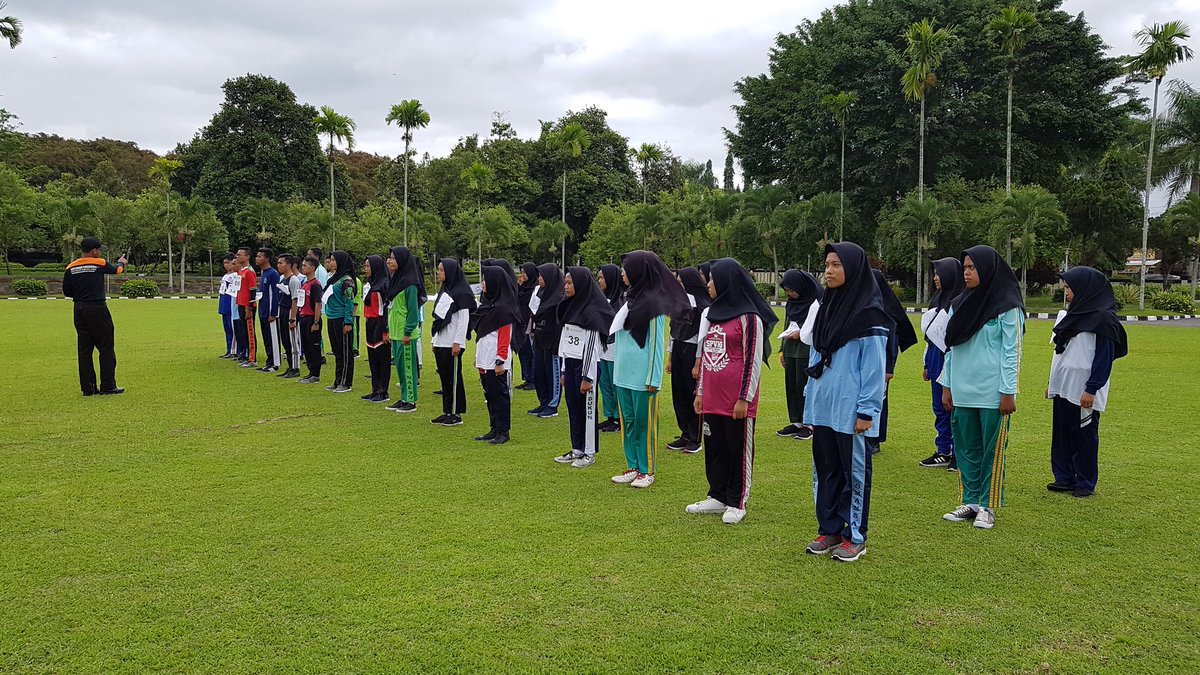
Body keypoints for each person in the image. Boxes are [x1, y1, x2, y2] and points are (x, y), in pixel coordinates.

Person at [802, 242, 889, 563]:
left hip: (852, 412)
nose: (829, 270)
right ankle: (830, 530)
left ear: (852, 268)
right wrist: (809, 401)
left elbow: (874, 370)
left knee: (853, 475)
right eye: (827, 264)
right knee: (825, 471)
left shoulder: (869, 314)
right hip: (823, 408)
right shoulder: (826, 308)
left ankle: (855, 536)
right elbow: (815, 357)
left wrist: (867, 411)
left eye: (837, 264)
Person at [939, 245, 1025, 530]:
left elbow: (1012, 352)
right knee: (966, 449)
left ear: (988, 269)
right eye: (964, 267)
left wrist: (1008, 391)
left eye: (972, 267)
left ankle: (987, 505)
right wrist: (947, 385)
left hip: (992, 393)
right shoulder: (958, 303)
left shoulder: (1007, 305)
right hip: (963, 389)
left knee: (991, 451)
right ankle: (971, 500)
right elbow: (950, 347)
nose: (966, 273)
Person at [687, 258, 778, 524]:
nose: (709, 284)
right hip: (712, 398)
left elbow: (752, 360)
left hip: (737, 400)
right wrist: (700, 393)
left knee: (737, 449)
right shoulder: (714, 314)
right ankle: (717, 495)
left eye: (713, 279)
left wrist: (744, 398)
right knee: (715, 448)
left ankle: (737, 501)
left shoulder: (749, 317)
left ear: (728, 281)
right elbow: (705, 355)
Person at [610, 250, 690, 489]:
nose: (623, 273)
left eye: (626, 268)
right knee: (629, 422)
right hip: (622, 374)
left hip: (643, 377)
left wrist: (654, 377)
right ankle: (632, 466)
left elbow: (656, 345)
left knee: (645, 424)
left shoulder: (655, 304)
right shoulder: (628, 299)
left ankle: (647, 470)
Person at [1047, 266, 1127, 498]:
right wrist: (1052, 382)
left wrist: (1091, 389)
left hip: (1083, 388)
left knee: (1084, 435)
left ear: (1085, 289)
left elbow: (1104, 358)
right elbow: (1059, 353)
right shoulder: (1071, 316)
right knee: (1062, 433)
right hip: (1063, 386)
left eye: (1070, 287)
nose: (1066, 292)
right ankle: (1063, 477)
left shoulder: (1103, 320)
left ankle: (1084, 481)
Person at [553, 266, 616, 468]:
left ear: (580, 284)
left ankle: (589, 452)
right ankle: (576, 448)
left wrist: (587, 377)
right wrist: (563, 370)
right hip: (570, 363)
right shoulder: (569, 306)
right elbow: (564, 340)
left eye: (570, 283)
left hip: (586, 366)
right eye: (565, 282)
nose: (566, 286)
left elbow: (591, 346)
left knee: (587, 410)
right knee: (572, 406)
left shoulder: (591, 311)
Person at [62, 236, 127, 396]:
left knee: (84, 350)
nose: (99, 253)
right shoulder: (99, 263)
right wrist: (121, 262)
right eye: (98, 250)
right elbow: (118, 271)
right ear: (94, 251)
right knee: (105, 347)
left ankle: (88, 388)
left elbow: (67, 292)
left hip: (79, 309)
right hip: (97, 307)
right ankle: (108, 385)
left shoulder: (70, 267)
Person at [918, 257, 964, 471]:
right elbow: (930, 336)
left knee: (953, 407)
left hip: (952, 359)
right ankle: (943, 450)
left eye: (938, 274)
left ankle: (958, 453)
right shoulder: (937, 301)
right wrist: (926, 363)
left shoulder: (960, 301)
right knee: (939, 408)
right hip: (935, 359)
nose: (935, 278)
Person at [868, 269, 918, 454]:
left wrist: (889, 368)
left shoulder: (885, 308)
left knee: (878, 400)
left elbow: (892, 340)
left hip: (882, 364)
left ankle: (875, 439)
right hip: (866, 362)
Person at [474, 265, 520, 445]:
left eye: (486, 280)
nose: (483, 283)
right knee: (490, 395)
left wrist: (500, 360)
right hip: (484, 359)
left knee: (500, 396)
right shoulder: (487, 306)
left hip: (496, 361)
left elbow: (504, 337)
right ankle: (493, 427)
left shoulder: (504, 309)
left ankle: (503, 430)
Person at [666, 267, 710, 454]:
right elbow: (673, 331)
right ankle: (684, 432)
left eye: (681, 281)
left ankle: (695, 437)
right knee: (679, 393)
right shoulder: (678, 302)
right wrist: (670, 357)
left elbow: (702, 336)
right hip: (678, 348)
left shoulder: (702, 306)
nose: (678, 285)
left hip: (693, 351)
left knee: (692, 393)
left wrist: (698, 362)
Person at [777, 269, 822, 441]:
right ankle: (796, 421)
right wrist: (782, 349)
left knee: (805, 387)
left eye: (791, 290)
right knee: (792, 386)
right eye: (786, 290)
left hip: (806, 350)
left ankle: (808, 424)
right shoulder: (792, 303)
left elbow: (817, 326)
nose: (789, 293)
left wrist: (801, 333)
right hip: (791, 349)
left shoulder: (815, 303)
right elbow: (787, 325)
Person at [431, 258, 477, 426]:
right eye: (438, 270)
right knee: (444, 379)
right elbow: (438, 319)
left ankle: (456, 413)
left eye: (441, 270)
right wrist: (434, 340)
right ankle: (447, 410)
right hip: (441, 342)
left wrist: (458, 342)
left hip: (453, 344)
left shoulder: (462, 293)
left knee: (454, 378)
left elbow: (463, 320)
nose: (438, 273)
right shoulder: (444, 291)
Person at [384, 246, 423, 413]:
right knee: (400, 367)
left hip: (405, 333)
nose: (390, 261)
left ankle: (411, 400)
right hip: (395, 331)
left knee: (408, 367)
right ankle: (404, 397)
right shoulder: (396, 281)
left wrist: (408, 332)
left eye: (393, 258)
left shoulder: (411, 284)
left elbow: (413, 311)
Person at [529, 263, 566, 418]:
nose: (539, 279)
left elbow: (559, 324)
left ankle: (552, 405)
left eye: (542, 276)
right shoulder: (542, 294)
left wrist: (557, 346)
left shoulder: (558, 298)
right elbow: (534, 313)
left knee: (553, 374)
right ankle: (543, 401)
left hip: (552, 342)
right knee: (539, 372)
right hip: (539, 338)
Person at [323, 251, 357, 393]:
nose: (330, 263)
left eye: (333, 260)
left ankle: (345, 382)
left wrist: (348, 322)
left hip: (342, 319)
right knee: (337, 352)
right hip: (332, 318)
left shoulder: (346, 280)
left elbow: (349, 301)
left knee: (345, 352)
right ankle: (338, 380)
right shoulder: (335, 278)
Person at [597, 264, 625, 433]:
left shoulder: (622, 300)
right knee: (605, 383)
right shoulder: (601, 297)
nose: (600, 280)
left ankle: (618, 417)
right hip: (602, 345)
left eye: (602, 277)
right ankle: (610, 416)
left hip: (615, 346)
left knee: (615, 385)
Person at [361, 255, 392, 403]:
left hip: (380, 322)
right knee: (372, 358)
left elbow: (386, 309)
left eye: (368, 266)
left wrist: (386, 330)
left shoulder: (384, 285)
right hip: (369, 322)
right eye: (365, 266)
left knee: (382, 359)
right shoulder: (369, 284)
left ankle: (383, 391)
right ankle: (375, 389)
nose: (366, 269)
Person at [297, 256, 324, 384]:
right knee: (306, 346)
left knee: (314, 347)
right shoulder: (305, 284)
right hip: (303, 317)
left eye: (305, 265)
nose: (303, 267)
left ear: (312, 268)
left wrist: (316, 322)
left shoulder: (315, 285)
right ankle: (310, 371)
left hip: (312, 318)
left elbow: (318, 304)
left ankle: (315, 373)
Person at [254, 248, 282, 373]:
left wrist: (273, 313)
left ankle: (275, 364)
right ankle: (269, 361)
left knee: (273, 338)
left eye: (260, 256)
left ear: (266, 259)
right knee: (266, 338)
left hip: (270, 312)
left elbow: (275, 295)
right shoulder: (263, 273)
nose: (257, 258)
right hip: (263, 311)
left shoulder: (273, 274)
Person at [276, 254, 303, 379]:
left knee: (293, 342)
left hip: (290, 313)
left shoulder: (294, 280)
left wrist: (292, 319)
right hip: (282, 312)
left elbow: (295, 300)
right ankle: (290, 366)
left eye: (281, 263)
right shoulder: (282, 279)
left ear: (289, 265)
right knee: (285, 340)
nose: (278, 265)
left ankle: (295, 368)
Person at [234, 247, 258, 366]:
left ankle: (252, 359)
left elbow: (252, 291)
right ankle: (245, 355)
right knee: (243, 331)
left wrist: (249, 308)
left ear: (247, 257)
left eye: (240, 255)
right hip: (241, 304)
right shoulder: (240, 271)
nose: (237, 257)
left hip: (248, 306)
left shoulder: (249, 272)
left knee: (250, 332)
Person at [218, 254, 239, 359]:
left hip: (230, 305)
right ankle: (228, 349)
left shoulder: (235, 276)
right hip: (223, 304)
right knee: (227, 328)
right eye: (224, 263)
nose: (226, 265)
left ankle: (234, 350)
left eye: (228, 263)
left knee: (233, 329)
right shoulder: (226, 275)